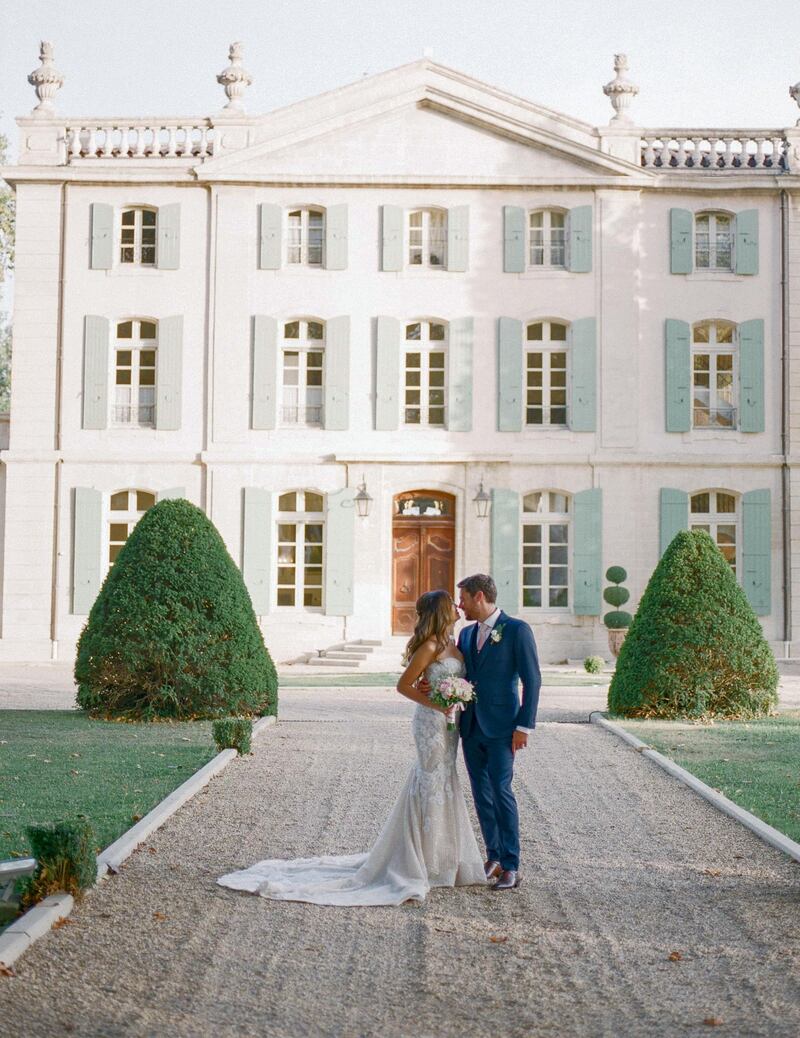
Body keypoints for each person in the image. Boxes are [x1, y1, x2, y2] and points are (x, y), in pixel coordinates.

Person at [217, 589, 486, 906]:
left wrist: (455, 697)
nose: (458, 608)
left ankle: (445, 859)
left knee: (446, 780)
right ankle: (422, 860)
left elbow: (459, 681)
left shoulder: (456, 644)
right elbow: (403, 686)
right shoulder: (428, 647)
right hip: (430, 723)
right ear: (441, 612)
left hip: (450, 725)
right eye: (451, 605)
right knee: (429, 781)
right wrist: (437, 705)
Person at [420, 573, 541, 891]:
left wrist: (523, 726)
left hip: (504, 728)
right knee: (481, 793)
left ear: (479, 597)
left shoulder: (517, 630)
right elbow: (461, 675)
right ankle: (494, 857)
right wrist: (430, 685)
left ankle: (512, 865)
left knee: (502, 791)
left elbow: (533, 680)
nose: (459, 606)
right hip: (470, 727)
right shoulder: (467, 634)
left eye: (463, 599)